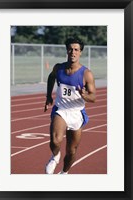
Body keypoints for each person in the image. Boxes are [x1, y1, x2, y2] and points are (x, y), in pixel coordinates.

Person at [44, 37, 96, 174]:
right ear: (67, 50)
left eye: (76, 50)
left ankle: (64, 172)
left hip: (76, 112)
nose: (73, 52)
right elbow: (51, 77)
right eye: (70, 49)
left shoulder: (86, 74)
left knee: (71, 151)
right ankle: (55, 156)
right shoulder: (58, 68)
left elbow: (93, 97)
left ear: (80, 52)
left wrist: (84, 95)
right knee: (55, 141)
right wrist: (48, 95)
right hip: (61, 109)